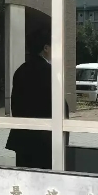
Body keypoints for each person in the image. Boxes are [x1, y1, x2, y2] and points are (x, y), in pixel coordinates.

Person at [5, 29, 64, 169]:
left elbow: (16, 104)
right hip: (44, 139)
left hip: (23, 138)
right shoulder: (49, 71)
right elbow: (56, 105)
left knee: (25, 176)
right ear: (46, 48)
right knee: (43, 177)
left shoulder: (21, 70)